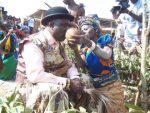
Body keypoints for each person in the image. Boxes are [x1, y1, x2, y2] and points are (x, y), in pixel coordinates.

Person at [67, 16, 127, 113]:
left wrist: (89, 43)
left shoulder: (105, 39)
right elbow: (82, 66)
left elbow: (106, 55)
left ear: (95, 29)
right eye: (81, 30)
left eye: (86, 29)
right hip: (96, 87)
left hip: (112, 85)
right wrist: (75, 50)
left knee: (116, 109)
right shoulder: (83, 47)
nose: (83, 31)